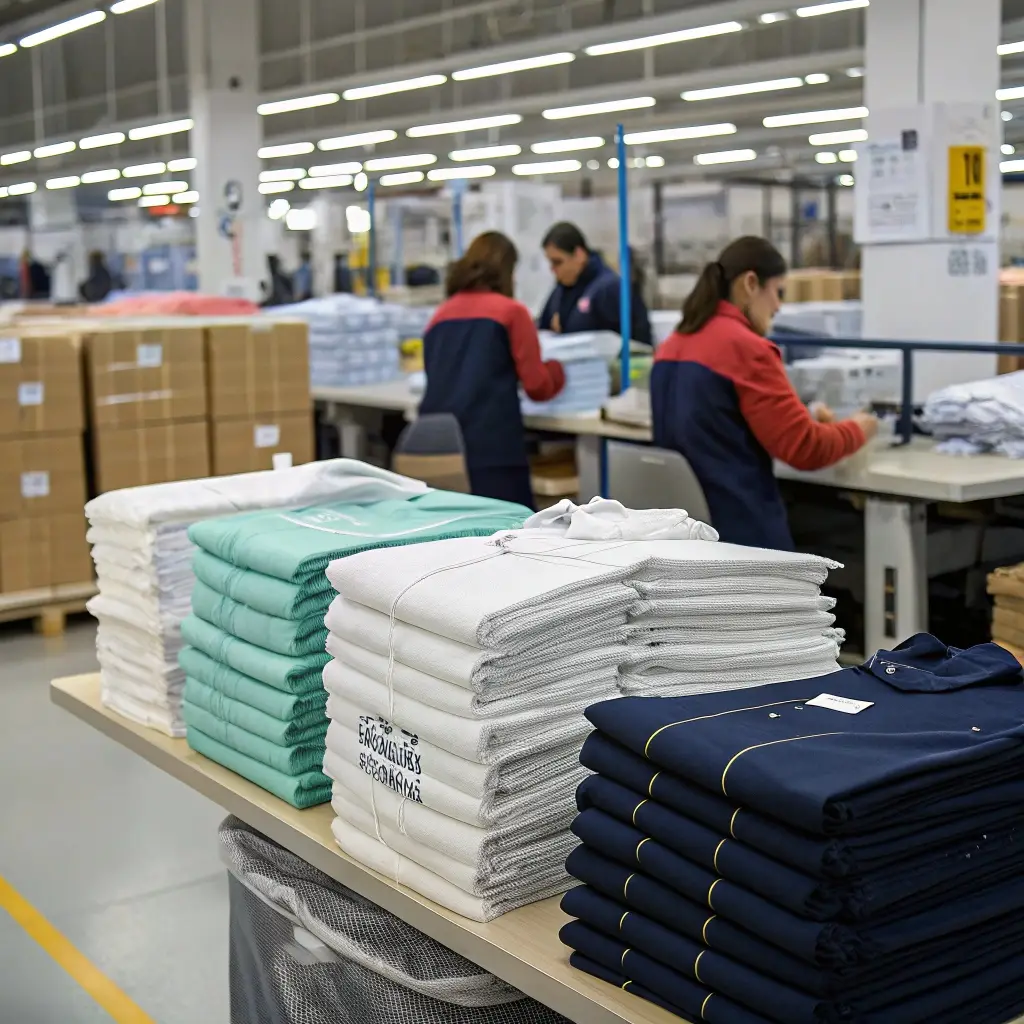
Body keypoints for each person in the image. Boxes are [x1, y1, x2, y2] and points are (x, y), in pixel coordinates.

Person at [651, 236, 878, 551]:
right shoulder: (747, 348)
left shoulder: (671, 345)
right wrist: (858, 428)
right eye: (778, 292)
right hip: (739, 535)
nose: (778, 306)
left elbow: (720, 424)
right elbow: (806, 449)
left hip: (682, 536)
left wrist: (807, 418)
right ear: (751, 283)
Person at [419, 231, 566, 508]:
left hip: (435, 446)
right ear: (507, 270)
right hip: (490, 449)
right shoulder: (511, 313)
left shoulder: (438, 316)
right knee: (508, 537)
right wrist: (559, 370)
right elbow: (537, 386)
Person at [538, 222, 652, 346]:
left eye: (558, 262)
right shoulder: (559, 291)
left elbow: (636, 341)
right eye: (551, 263)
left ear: (579, 255)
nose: (553, 269)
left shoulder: (609, 289)